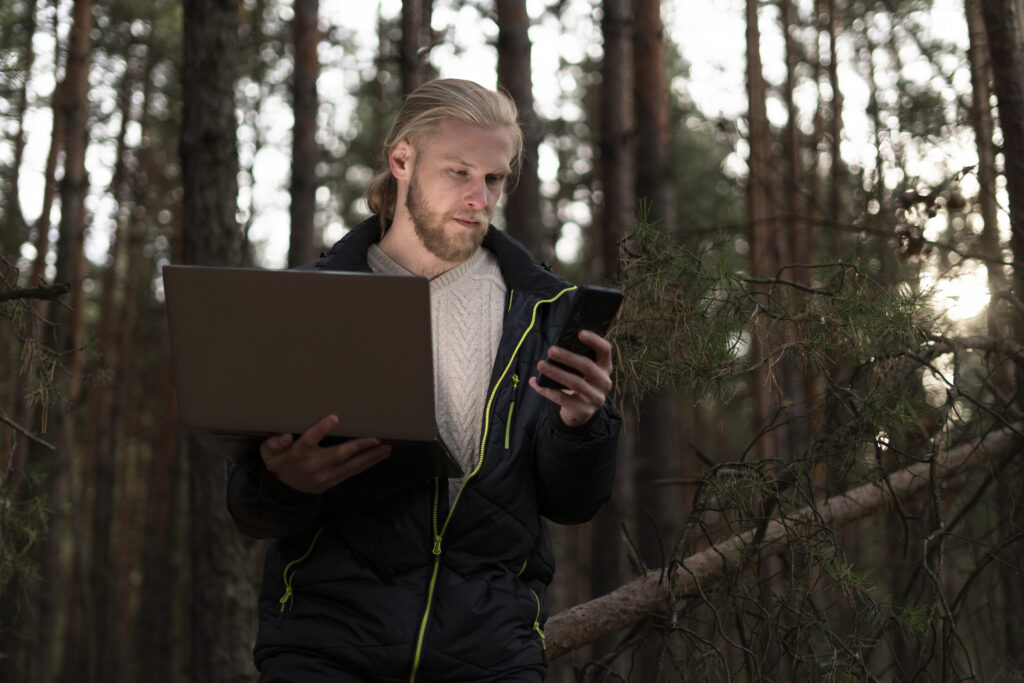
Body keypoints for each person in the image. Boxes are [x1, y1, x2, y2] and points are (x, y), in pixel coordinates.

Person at [227, 78, 621, 683]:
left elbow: (572, 504)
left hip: (492, 653)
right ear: (402, 160)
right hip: (325, 647)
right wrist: (286, 482)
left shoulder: (545, 311)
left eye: (493, 179)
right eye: (459, 172)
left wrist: (582, 425)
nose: (478, 198)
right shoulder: (307, 300)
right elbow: (251, 510)